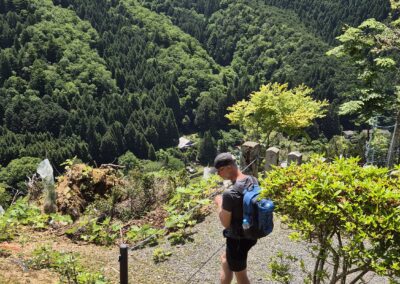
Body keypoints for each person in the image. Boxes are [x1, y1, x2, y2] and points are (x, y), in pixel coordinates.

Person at [214, 152, 258, 284]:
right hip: (251, 233)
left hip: (237, 240)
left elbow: (225, 223)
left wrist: (219, 202)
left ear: (229, 167)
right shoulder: (252, 180)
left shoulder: (229, 194)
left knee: (241, 276)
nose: (218, 174)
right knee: (226, 261)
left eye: (220, 170)